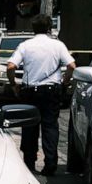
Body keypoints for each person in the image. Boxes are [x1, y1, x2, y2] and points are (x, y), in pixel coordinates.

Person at [7, 15, 76, 175]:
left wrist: (13, 85)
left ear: (33, 28)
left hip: (30, 91)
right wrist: (65, 82)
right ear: (49, 28)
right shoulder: (58, 45)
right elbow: (71, 65)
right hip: (51, 91)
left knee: (29, 126)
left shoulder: (25, 45)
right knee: (50, 126)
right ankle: (50, 163)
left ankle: (29, 162)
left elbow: (11, 66)